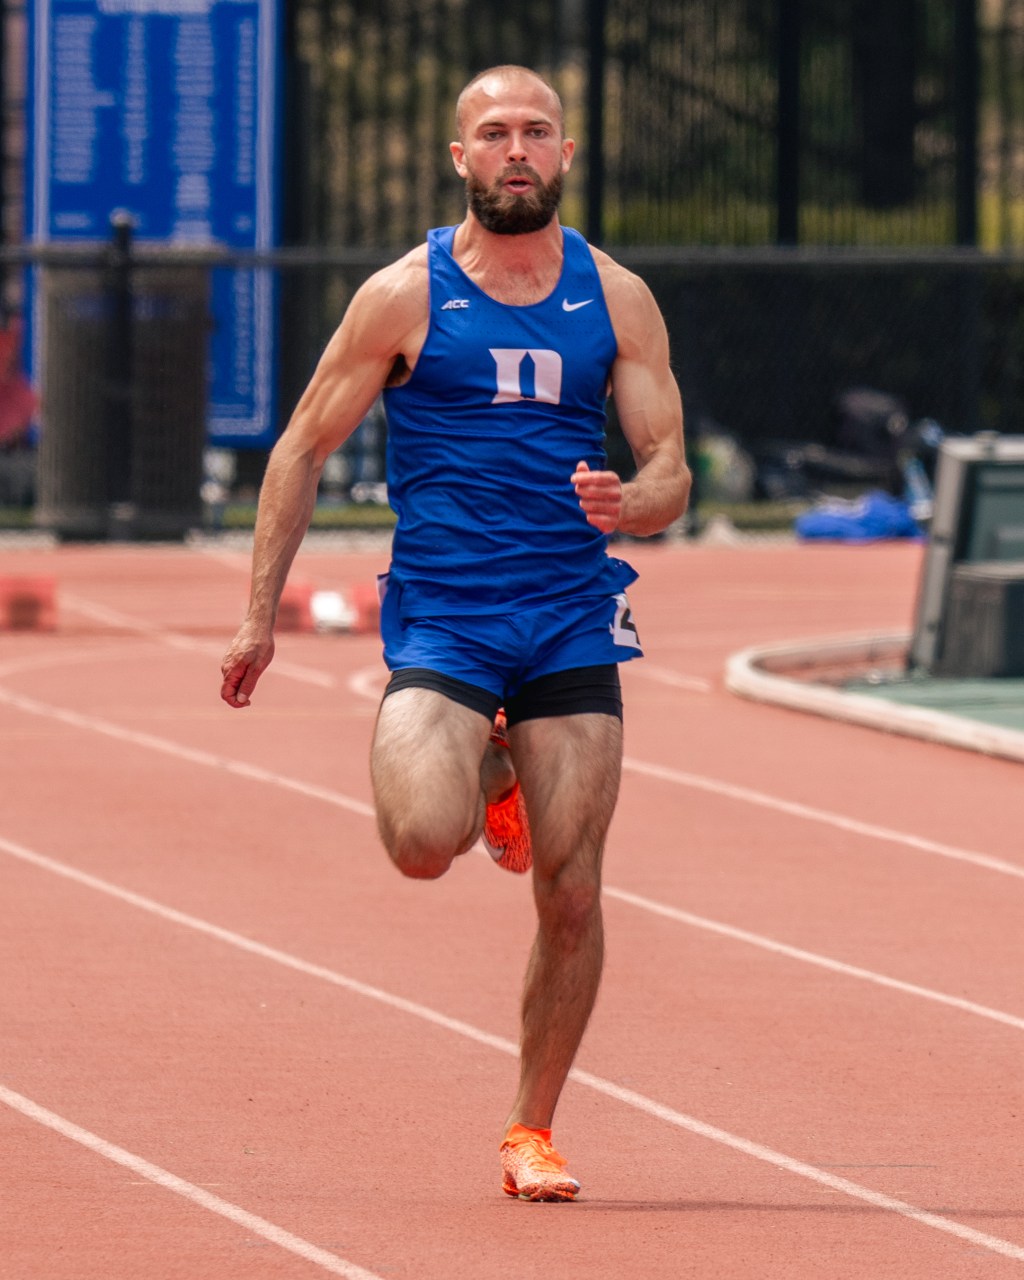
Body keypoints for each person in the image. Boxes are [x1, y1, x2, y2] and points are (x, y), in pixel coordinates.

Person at [220, 64, 690, 1202]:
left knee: (571, 888)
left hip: (571, 613)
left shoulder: (617, 297)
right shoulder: (403, 295)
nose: (515, 149)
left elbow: (671, 469)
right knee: (422, 842)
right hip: (448, 614)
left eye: (536, 131)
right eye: (493, 133)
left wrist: (631, 502)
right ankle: (487, 767)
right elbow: (300, 447)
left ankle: (531, 1128)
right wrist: (257, 617)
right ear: (460, 157)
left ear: (566, 154)